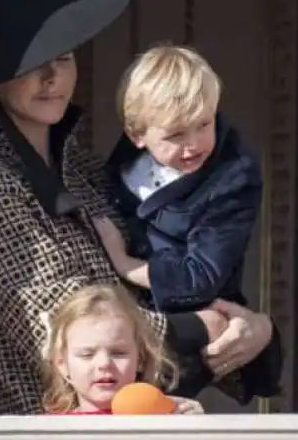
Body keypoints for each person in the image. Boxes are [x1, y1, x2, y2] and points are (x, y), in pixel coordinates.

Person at [0, 0, 274, 415]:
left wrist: (255, 330)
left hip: (132, 419)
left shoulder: (88, 172)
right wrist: (204, 328)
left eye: (64, 58)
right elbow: (66, 329)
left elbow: (158, 282)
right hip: (39, 426)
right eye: (30, 65)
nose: (51, 76)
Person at [92, 44, 281, 399]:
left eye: (203, 125)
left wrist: (126, 265)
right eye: (176, 135)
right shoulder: (121, 165)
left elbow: (201, 277)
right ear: (137, 136)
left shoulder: (232, 177)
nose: (193, 144)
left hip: (191, 333)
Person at [43, 283, 203, 415]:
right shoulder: (52, 430)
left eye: (118, 353)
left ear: (140, 358)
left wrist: (192, 428)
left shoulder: (160, 418)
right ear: (62, 364)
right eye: (87, 354)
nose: (104, 363)